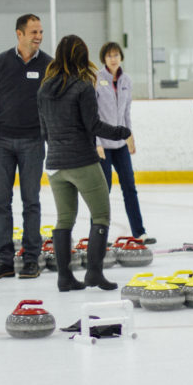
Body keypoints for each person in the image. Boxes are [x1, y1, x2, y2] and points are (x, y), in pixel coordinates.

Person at [38, 34, 131, 292]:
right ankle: (94, 273)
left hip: (55, 164)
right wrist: (121, 132)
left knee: (64, 219)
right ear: (81, 56)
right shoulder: (82, 87)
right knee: (101, 215)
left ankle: (65, 277)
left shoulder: (44, 88)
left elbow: (44, 130)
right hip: (82, 161)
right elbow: (93, 126)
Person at [0, 14, 52, 280]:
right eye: (33, 32)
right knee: (1, 203)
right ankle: (5, 260)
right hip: (3, 143)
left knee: (31, 202)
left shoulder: (48, 65)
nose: (38, 36)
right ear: (19, 34)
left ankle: (31, 259)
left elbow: (56, 103)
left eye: (40, 31)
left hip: (34, 142)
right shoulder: (1, 62)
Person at [95, 41, 154, 244]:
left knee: (130, 187)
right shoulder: (96, 79)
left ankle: (139, 232)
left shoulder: (126, 80)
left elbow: (127, 112)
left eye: (116, 55)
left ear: (121, 57)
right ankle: (100, 234)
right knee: (104, 191)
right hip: (103, 144)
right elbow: (92, 115)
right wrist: (97, 143)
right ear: (104, 58)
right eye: (110, 55)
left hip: (120, 145)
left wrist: (130, 137)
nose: (113, 58)